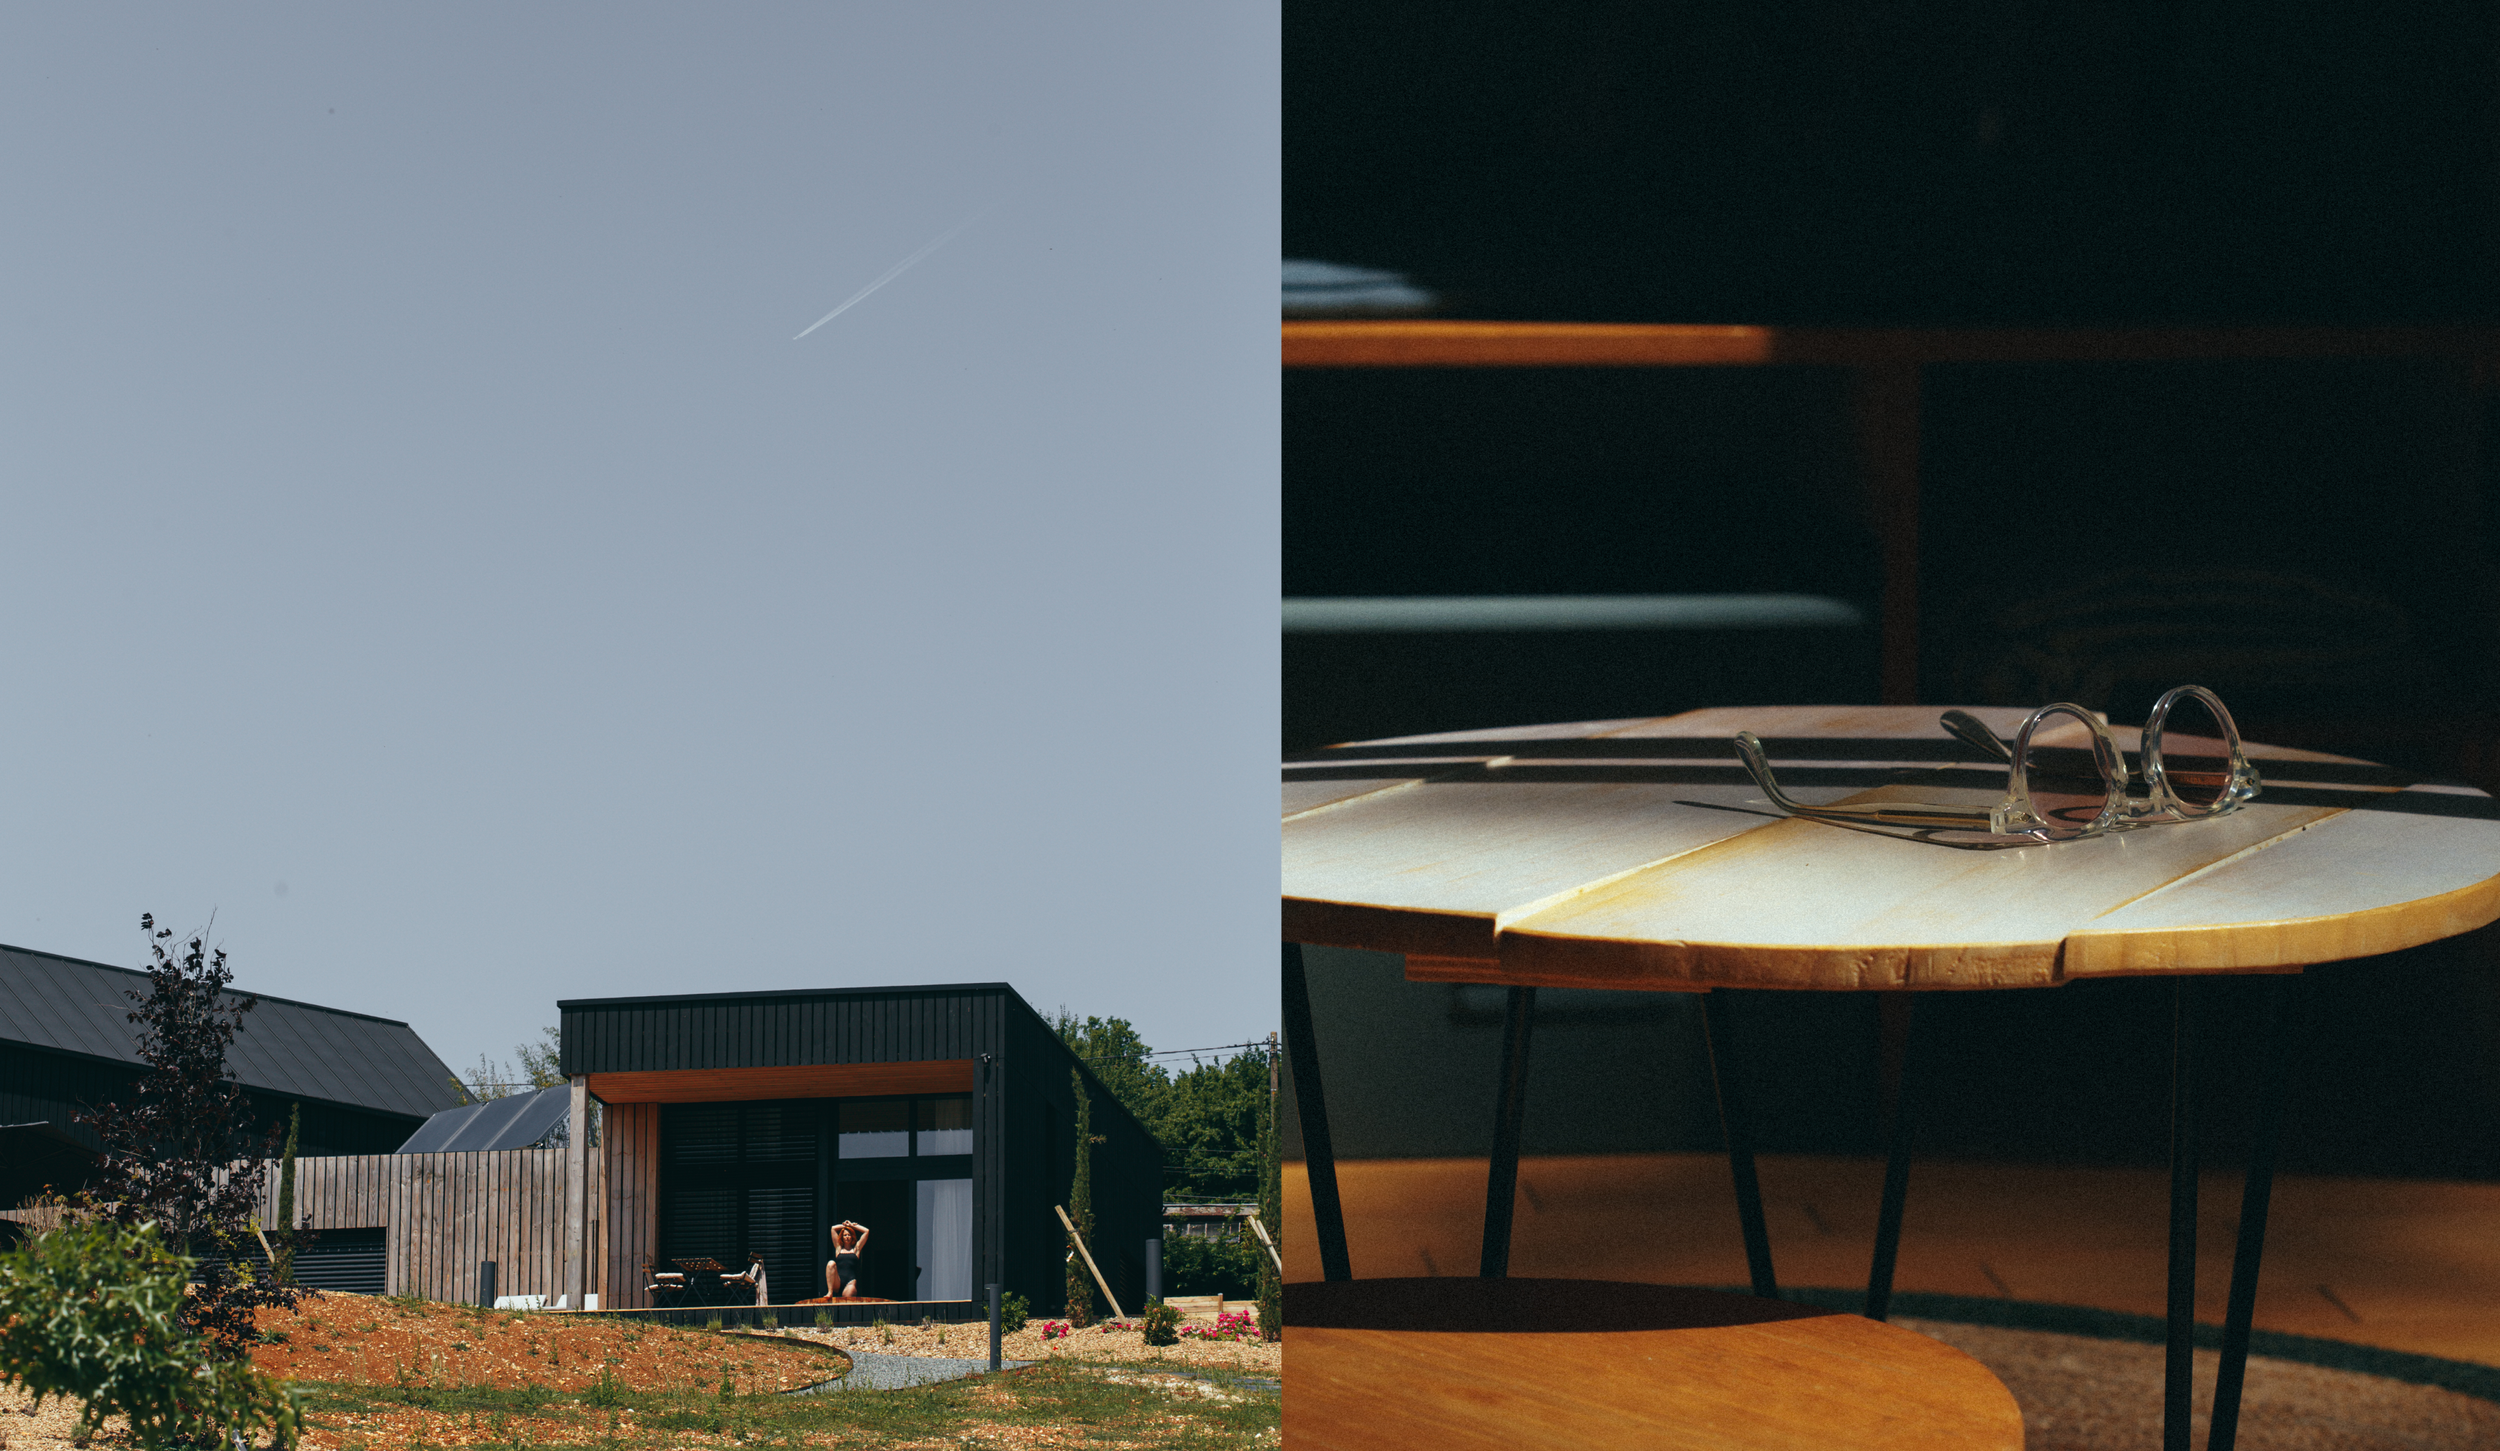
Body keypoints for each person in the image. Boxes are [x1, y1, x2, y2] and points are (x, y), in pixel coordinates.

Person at [826, 1219, 870, 1299]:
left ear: (852, 1236)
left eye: (849, 1235)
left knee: (846, 1300)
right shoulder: (839, 1248)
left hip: (850, 1282)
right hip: (838, 1281)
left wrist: (852, 1225)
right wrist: (845, 1225)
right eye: (845, 1235)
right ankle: (830, 1292)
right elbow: (833, 1228)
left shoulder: (856, 1249)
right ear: (842, 1237)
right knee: (831, 1263)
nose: (847, 1237)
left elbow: (866, 1231)